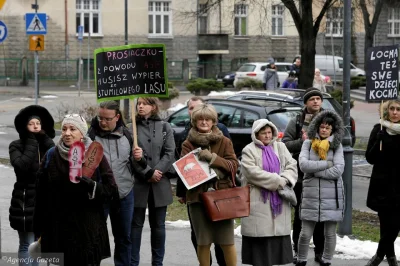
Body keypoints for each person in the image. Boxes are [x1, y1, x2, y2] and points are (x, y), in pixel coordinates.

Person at [33, 114, 118, 266]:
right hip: (59, 228)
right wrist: (39, 228)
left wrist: (92, 186)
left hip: (88, 230)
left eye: (72, 129)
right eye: (64, 128)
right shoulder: (51, 155)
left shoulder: (94, 154)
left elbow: (111, 189)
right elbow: (40, 194)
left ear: (82, 133)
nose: (67, 133)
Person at [181, 103, 239, 266]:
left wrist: (212, 158)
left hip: (222, 197)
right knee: (203, 242)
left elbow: (233, 165)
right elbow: (186, 172)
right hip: (198, 198)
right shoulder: (188, 143)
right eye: (200, 120)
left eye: (208, 119)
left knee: (227, 241)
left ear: (214, 121)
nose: (204, 122)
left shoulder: (225, 141)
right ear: (195, 122)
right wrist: (213, 172)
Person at [87, 100, 144, 266]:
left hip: (124, 195)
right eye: (100, 118)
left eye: (107, 119)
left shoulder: (128, 135)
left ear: (117, 117)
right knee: (95, 237)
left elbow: (138, 165)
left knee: (124, 238)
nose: (103, 122)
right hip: (99, 196)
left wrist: (140, 157)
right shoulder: (91, 137)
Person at [240, 119, 298, 266]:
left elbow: (292, 165)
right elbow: (252, 173)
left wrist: (285, 179)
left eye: (269, 132)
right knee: (260, 249)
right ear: (256, 134)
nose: (267, 135)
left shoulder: (280, 147)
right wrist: (278, 181)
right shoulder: (249, 150)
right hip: (258, 202)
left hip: (278, 202)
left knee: (276, 247)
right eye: (263, 133)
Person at [282, 87, 326, 264]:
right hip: (301, 175)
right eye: (312, 99)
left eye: (318, 98)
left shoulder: (328, 119)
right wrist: (304, 141)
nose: (316, 101)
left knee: (320, 215)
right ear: (306, 103)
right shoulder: (297, 121)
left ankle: (320, 252)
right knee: (301, 214)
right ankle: (298, 251)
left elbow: (340, 139)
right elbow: (285, 144)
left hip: (322, 174)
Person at [131, 97, 176, 266]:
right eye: (139, 104)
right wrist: (147, 172)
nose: (140, 106)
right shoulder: (132, 128)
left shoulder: (165, 126)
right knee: (135, 226)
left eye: (144, 104)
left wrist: (157, 171)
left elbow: (169, 152)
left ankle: (158, 263)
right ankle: (133, 262)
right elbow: (132, 157)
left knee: (158, 226)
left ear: (153, 106)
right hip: (139, 183)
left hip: (160, 182)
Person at [296, 110, 345, 266]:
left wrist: (315, 172)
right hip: (310, 194)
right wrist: (326, 164)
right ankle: (301, 259)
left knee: (330, 233)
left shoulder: (337, 146)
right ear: (317, 127)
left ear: (332, 130)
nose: (324, 130)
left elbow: (338, 170)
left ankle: (327, 260)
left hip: (332, 196)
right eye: (322, 127)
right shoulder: (308, 143)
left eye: (327, 128)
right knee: (305, 234)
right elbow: (303, 165)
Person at [9, 105, 55, 266]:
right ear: (25, 127)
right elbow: (21, 167)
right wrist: (31, 141)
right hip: (24, 202)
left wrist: (44, 138)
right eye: (31, 123)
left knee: (37, 245)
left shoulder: (46, 145)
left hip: (42, 202)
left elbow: (55, 157)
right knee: (27, 244)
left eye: (38, 123)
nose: (36, 126)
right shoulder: (16, 145)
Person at [365, 99, 400, 266]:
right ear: (387, 111)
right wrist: (378, 140)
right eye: (392, 109)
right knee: (385, 224)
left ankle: (378, 256)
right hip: (382, 184)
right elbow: (370, 158)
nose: (394, 112)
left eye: (398, 109)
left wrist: (388, 142)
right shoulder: (378, 129)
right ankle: (391, 258)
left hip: (399, 185)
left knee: (395, 224)